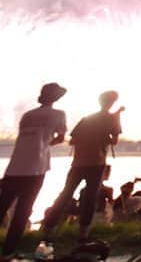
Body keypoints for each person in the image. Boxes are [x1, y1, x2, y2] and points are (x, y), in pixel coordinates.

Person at [41, 90, 122, 243]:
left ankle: (48, 229)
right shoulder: (112, 118)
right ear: (112, 103)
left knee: (65, 194)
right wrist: (116, 119)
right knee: (90, 198)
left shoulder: (86, 119)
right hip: (96, 164)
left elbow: (72, 141)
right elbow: (114, 141)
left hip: (78, 163)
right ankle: (83, 234)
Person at [0, 82, 67, 259]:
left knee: (1, 207)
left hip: (14, 168)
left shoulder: (27, 115)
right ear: (56, 97)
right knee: (23, 212)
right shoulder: (59, 114)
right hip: (36, 168)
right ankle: (7, 252)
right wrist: (47, 142)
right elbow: (60, 138)